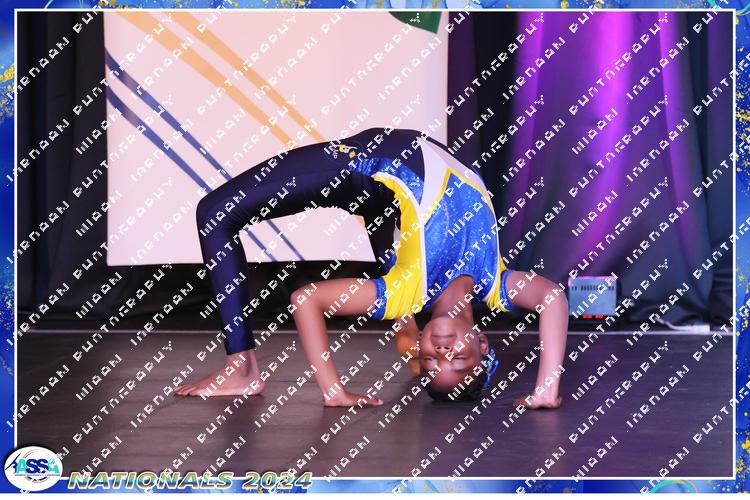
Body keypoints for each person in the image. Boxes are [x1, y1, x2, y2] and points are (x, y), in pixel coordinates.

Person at [175, 127, 569, 409]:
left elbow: (305, 298)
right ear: (482, 344)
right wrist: (546, 388)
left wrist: (333, 391)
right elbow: (552, 297)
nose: (442, 353)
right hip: (387, 194)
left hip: (358, 168)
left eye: (431, 362)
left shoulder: (406, 292)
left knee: (215, 213)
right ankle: (404, 330)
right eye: (458, 360)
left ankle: (242, 368)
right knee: (392, 236)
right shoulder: (496, 283)